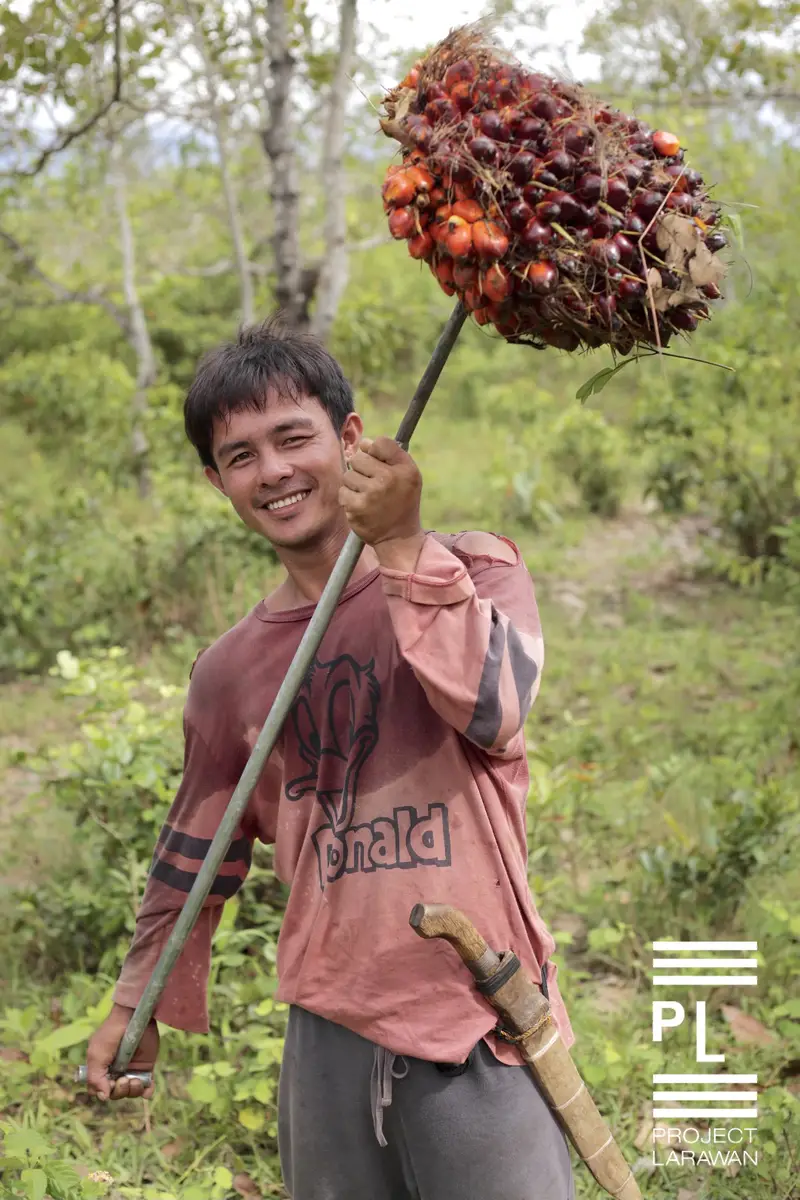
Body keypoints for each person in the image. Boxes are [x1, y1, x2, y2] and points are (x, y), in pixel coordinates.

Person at [86, 316, 576, 1199]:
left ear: (349, 438)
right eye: (240, 456)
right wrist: (136, 1002)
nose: (271, 471)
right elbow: (197, 851)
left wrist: (400, 546)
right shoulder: (229, 674)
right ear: (216, 482)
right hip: (330, 1031)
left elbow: (497, 708)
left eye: (292, 438)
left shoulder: (472, 566)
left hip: (480, 1014)